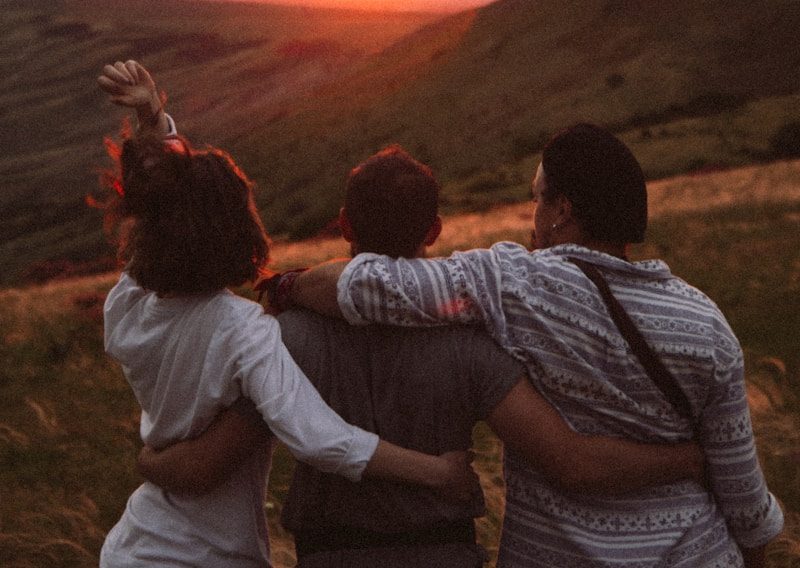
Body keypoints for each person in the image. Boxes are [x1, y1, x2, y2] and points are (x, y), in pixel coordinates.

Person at [137, 143, 706, 567]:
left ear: (343, 225)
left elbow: (203, 466)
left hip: (331, 558)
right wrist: (688, 459)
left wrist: (146, 460)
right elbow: (571, 462)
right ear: (434, 231)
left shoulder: (288, 338)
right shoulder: (472, 345)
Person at [285, 124, 784, 567]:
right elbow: (745, 498)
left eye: (537, 199)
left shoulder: (513, 283)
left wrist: (286, 287)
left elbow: (367, 285)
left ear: (562, 210)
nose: (533, 214)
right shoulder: (707, 322)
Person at [95, 61, 479, 568]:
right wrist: (440, 474)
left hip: (132, 545)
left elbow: (160, 202)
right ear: (239, 228)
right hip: (206, 554)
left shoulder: (126, 304)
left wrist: (155, 121)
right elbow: (320, 438)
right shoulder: (242, 329)